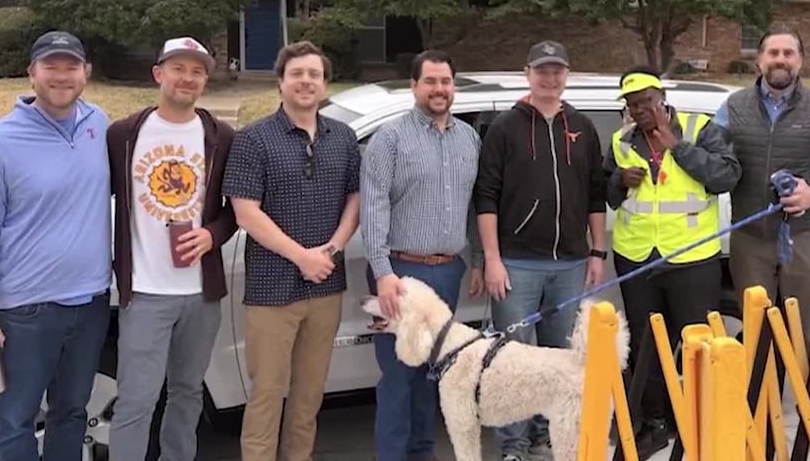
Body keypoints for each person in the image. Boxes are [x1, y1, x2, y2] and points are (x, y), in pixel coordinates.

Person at [222, 40, 361, 460]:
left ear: (324, 84)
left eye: (313, 75)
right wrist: (302, 256)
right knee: (265, 396)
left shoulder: (344, 137)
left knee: (309, 397)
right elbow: (245, 212)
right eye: (296, 74)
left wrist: (332, 250)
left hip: (326, 286)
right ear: (281, 82)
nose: (305, 82)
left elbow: (355, 198)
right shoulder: (252, 139)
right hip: (271, 290)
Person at [473, 40, 608, 461]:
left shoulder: (583, 128)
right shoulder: (504, 128)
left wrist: (597, 251)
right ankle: (512, 446)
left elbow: (594, 195)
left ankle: (543, 437)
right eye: (542, 71)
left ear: (567, 75)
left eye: (557, 71)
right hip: (516, 263)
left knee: (557, 362)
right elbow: (486, 197)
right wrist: (492, 259)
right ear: (527, 74)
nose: (550, 79)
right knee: (512, 362)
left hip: (570, 263)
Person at [105, 37, 238, 460]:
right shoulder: (124, 134)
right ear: (158, 74)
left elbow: (237, 211)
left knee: (187, 394)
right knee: (136, 399)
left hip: (201, 295)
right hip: (144, 293)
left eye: (197, 71)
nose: (188, 78)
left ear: (205, 81)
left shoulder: (221, 137)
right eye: (179, 68)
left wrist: (212, 235)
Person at [0, 31, 112, 461]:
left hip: (92, 302)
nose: (61, 76)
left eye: (70, 66)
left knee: (72, 413)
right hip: (27, 311)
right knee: (17, 418)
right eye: (50, 67)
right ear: (31, 73)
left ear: (85, 72)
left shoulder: (100, 124)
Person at [604, 66, 741, 458]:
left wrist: (678, 148)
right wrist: (618, 181)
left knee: (697, 342)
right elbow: (608, 193)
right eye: (632, 104)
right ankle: (656, 423)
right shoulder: (621, 140)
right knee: (646, 346)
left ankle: (698, 421)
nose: (640, 110)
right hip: (638, 258)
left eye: (646, 101)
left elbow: (726, 176)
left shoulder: (699, 129)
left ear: (661, 98)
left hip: (691, 258)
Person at [360, 49, 483, 461]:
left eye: (445, 82)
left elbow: (474, 208)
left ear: (454, 87)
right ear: (414, 86)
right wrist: (382, 273)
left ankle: (423, 453)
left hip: (447, 273)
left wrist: (479, 260)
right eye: (430, 81)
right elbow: (373, 210)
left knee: (435, 373)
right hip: (399, 273)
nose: (439, 89)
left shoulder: (469, 139)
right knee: (397, 377)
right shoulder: (389, 140)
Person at [713, 26, 810, 340]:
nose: (780, 59)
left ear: (800, 61)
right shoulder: (732, 108)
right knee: (756, 327)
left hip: (803, 237)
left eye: (788, 53)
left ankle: (804, 389)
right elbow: (709, 155)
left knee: (805, 328)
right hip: (750, 238)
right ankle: (760, 390)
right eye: (773, 53)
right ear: (759, 60)